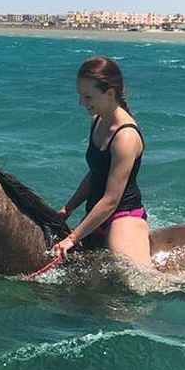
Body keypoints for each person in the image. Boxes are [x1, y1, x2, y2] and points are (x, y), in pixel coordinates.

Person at [51, 56, 151, 268]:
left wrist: (72, 238)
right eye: (80, 96)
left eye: (88, 97)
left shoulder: (125, 137)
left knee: (137, 281)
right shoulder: (97, 120)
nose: (81, 103)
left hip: (122, 215)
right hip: (96, 211)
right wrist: (66, 209)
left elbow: (111, 200)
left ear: (110, 93)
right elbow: (96, 173)